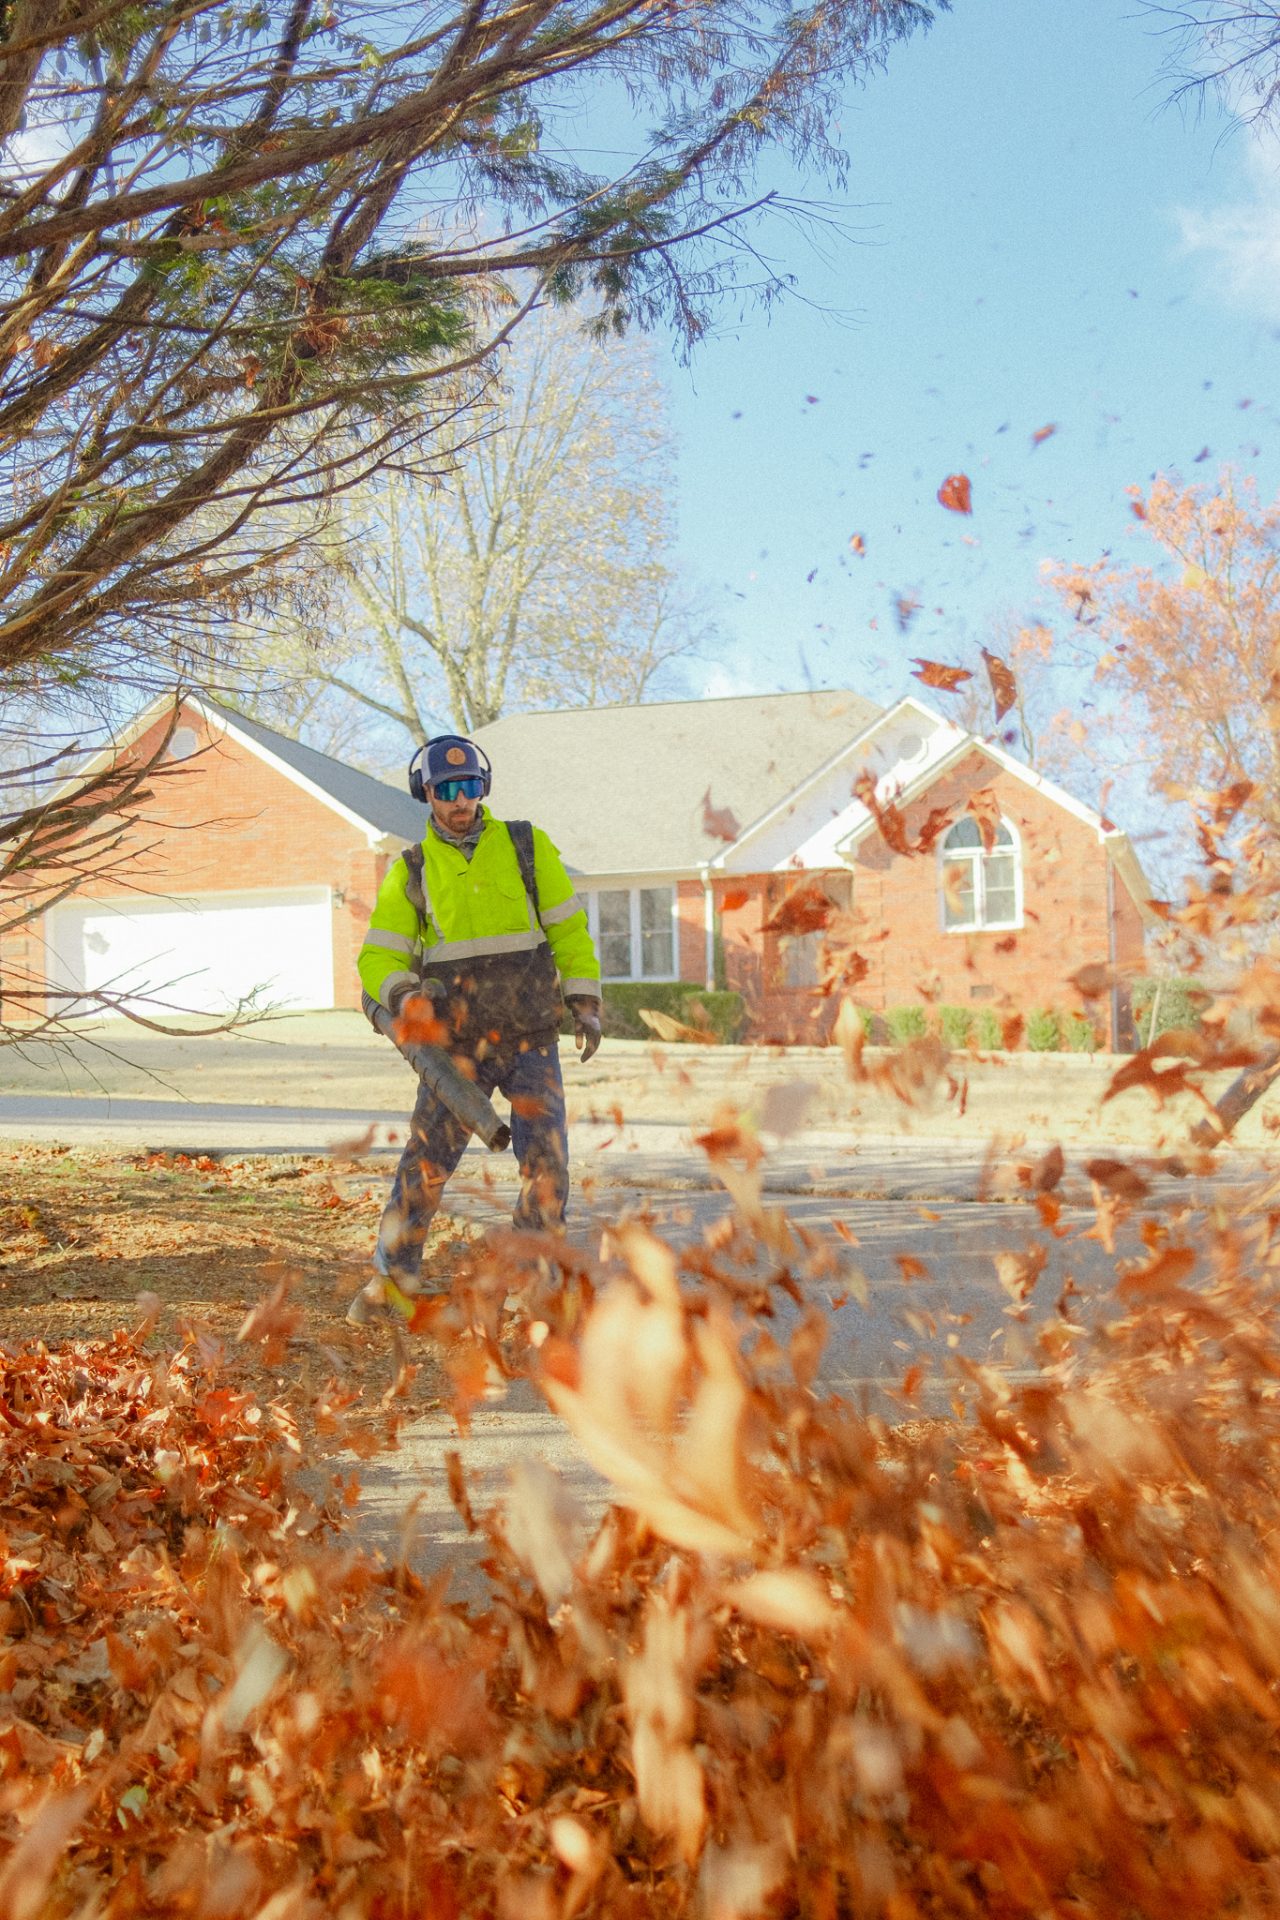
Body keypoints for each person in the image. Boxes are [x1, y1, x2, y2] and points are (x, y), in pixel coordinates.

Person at [348, 734, 602, 1323]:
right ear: (427, 795)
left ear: (482, 788)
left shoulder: (526, 846)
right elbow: (377, 958)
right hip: (456, 1048)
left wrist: (584, 998)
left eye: (468, 788)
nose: (459, 801)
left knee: (548, 1163)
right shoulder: (410, 870)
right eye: (446, 791)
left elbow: (569, 931)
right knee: (426, 1161)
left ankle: (530, 1279)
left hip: (530, 1037)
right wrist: (404, 997)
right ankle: (391, 1283)